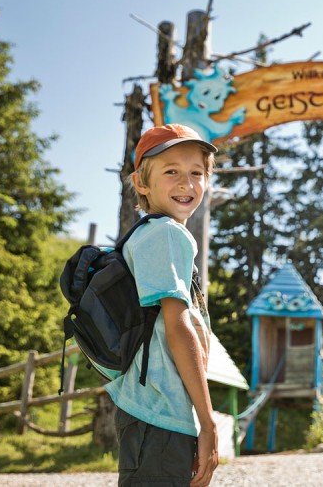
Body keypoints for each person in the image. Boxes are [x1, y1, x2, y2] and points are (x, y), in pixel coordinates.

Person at [107, 123, 219, 486]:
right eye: (171, 172)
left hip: (149, 411)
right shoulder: (167, 234)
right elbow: (177, 326)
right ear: (141, 183)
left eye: (196, 173)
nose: (187, 183)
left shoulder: (145, 234)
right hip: (162, 413)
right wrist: (208, 421)